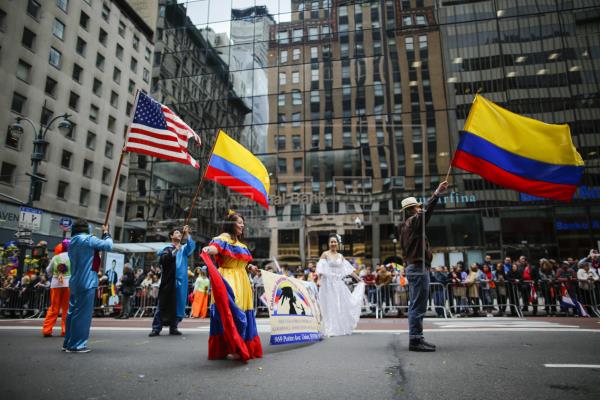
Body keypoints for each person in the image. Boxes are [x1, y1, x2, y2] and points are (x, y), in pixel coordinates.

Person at [202, 211, 262, 361]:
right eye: (239, 222)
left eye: (243, 223)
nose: (242, 225)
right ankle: (232, 346)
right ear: (231, 224)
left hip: (243, 281)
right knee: (232, 312)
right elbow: (215, 248)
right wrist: (208, 250)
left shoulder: (241, 245)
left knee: (242, 312)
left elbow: (242, 263)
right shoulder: (223, 238)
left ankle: (240, 345)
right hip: (227, 280)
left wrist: (251, 268)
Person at [399, 180, 447, 352]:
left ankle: (417, 338)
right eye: (417, 207)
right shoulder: (413, 222)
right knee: (418, 305)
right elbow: (426, 213)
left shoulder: (406, 226)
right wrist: (436, 193)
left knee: (416, 304)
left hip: (416, 268)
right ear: (412, 210)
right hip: (418, 268)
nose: (420, 209)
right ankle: (416, 340)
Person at [63, 219, 113, 353]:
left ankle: (68, 342)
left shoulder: (72, 242)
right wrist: (106, 233)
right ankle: (77, 345)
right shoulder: (89, 239)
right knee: (82, 314)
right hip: (87, 280)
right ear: (87, 229)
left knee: (72, 312)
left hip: (75, 281)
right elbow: (108, 245)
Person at [315, 233, 365, 337]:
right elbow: (320, 268)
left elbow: (348, 269)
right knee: (329, 304)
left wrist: (357, 278)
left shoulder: (340, 256)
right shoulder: (325, 254)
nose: (333, 243)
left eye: (335, 242)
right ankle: (329, 328)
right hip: (327, 283)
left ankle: (338, 327)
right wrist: (319, 280)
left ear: (337, 244)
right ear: (329, 243)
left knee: (340, 304)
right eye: (331, 242)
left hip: (338, 283)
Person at [149, 225, 195, 336]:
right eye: (176, 233)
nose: (179, 234)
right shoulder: (167, 249)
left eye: (180, 233)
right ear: (171, 236)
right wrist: (174, 250)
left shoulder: (183, 249)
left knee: (178, 304)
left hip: (181, 281)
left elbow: (191, 247)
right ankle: (156, 328)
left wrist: (187, 234)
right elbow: (164, 260)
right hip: (169, 281)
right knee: (163, 304)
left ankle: (174, 327)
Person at [42, 240, 71, 337]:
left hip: (55, 285)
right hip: (68, 284)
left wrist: (55, 275)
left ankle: (47, 330)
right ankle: (65, 330)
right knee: (67, 308)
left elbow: (48, 271)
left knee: (54, 308)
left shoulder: (55, 257)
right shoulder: (73, 257)